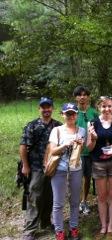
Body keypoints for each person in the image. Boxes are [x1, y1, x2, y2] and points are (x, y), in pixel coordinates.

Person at [20, 97, 61, 240]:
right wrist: (25, 165)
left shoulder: (58, 126)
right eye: (43, 107)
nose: (46, 110)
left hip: (53, 167)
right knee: (34, 196)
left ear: (52, 108)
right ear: (39, 109)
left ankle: (45, 222)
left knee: (50, 196)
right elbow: (23, 146)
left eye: (48, 107)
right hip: (36, 167)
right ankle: (30, 229)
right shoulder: (31, 126)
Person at [86, 96, 112, 239]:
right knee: (102, 196)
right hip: (98, 163)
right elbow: (89, 148)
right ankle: (103, 226)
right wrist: (94, 139)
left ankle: (110, 227)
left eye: (109, 106)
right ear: (98, 108)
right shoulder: (92, 123)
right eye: (103, 106)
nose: (107, 109)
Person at [48, 103, 86, 240]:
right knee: (58, 202)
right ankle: (59, 232)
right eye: (67, 113)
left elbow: (85, 149)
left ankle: (73, 228)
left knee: (75, 201)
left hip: (76, 169)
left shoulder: (82, 130)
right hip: (60, 170)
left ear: (77, 115)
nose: (70, 116)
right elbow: (52, 150)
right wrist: (65, 145)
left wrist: (86, 142)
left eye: (73, 113)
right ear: (62, 114)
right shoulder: (57, 130)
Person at [73, 86, 99, 215]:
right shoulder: (72, 112)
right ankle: (75, 203)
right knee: (76, 177)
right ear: (76, 97)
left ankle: (84, 201)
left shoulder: (93, 113)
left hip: (90, 151)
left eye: (85, 95)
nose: (82, 97)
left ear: (88, 97)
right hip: (76, 151)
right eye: (79, 95)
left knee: (87, 177)